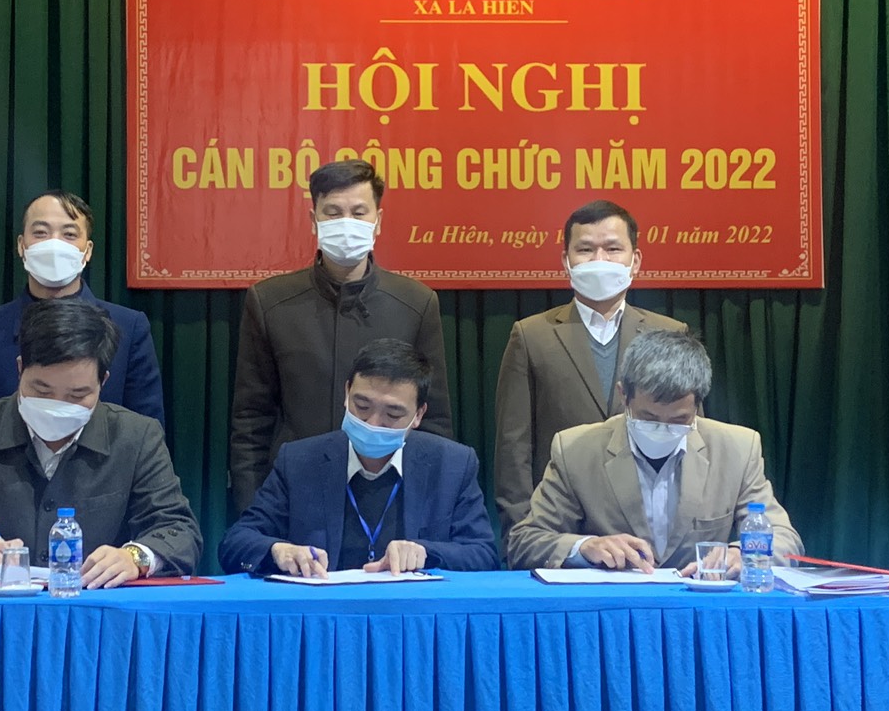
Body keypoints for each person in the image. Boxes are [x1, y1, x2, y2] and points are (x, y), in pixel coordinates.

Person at [0, 298, 199, 587]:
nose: (57, 406)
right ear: (20, 368)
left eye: (77, 395)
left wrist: (134, 557)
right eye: (42, 391)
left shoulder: (136, 436)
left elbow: (180, 532)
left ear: (103, 382)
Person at [228, 158, 452, 511]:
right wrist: (252, 513)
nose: (346, 223)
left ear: (378, 220)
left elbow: (433, 420)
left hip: (389, 497)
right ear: (313, 219)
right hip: (295, 497)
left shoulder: (416, 303)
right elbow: (251, 421)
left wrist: (426, 508)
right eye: (333, 212)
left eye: (359, 212)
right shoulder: (270, 302)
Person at [505, 329, 801, 572]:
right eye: (648, 418)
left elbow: (785, 538)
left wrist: (741, 553)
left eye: (679, 420)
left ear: (698, 404)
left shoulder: (737, 448)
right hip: (615, 611)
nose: (663, 429)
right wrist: (584, 547)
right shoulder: (576, 450)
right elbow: (524, 542)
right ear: (623, 396)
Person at [219, 340, 498, 576]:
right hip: (324, 613)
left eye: (393, 414)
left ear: (418, 415)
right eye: (362, 406)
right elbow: (236, 543)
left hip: (412, 615)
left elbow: (484, 554)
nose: (373, 423)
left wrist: (426, 553)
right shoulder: (299, 462)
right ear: (346, 393)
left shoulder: (452, 465)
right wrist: (278, 551)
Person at [491, 198, 688, 530]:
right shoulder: (531, 336)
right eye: (585, 250)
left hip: (651, 525)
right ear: (566, 262)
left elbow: (691, 436)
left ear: (635, 261)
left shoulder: (669, 334)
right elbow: (514, 449)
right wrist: (522, 534)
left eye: (613, 249)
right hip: (561, 526)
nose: (599, 260)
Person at [0, 190, 167, 424]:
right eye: (40, 233)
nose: (54, 243)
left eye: (69, 234)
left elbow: (147, 431)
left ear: (87, 251)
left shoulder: (129, 327)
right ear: (21, 245)